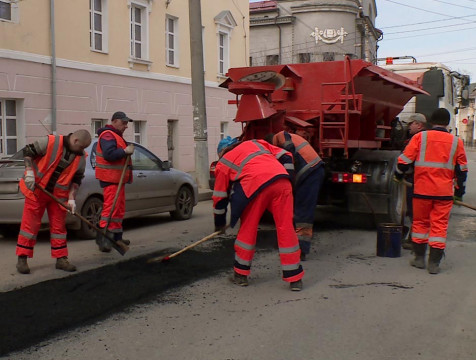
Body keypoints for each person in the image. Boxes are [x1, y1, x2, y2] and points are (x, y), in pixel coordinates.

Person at [212, 136, 304, 291]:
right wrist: (288, 177)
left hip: (255, 187)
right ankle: (295, 278)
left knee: (248, 228)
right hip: (282, 183)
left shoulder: (223, 163)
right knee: (286, 228)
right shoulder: (256, 143)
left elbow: (220, 198)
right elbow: (286, 155)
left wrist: (219, 224)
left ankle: (241, 274)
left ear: (222, 152)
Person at [394, 108, 468, 274]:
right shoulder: (456, 142)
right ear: (447, 123)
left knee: (420, 223)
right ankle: (434, 263)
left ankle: (419, 258)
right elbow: (462, 171)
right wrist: (458, 193)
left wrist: (398, 176)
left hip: (421, 191)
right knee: (439, 226)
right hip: (444, 193)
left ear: (431, 121)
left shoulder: (420, 137)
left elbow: (404, 161)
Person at [15, 129, 92, 274]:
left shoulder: (80, 156)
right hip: (37, 190)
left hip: (58, 196)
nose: (82, 151)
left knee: (59, 228)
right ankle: (22, 258)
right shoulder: (50, 142)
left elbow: (77, 179)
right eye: (81, 147)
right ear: (75, 141)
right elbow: (27, 151)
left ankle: (61, 259)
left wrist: (71, 199)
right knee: (29, 226)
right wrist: (29, 172)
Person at [267, 130, 325, 261]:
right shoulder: (284, 140)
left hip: (311, 172)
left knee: (303, 212)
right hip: (310, 171)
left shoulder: (281, 136)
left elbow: (290, 153)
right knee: (296, 210)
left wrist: (288, 180)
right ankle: (293, 243)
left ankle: (301, 249)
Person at [95, 111, 135, 252]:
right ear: (115, 121)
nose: (126, 126)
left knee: (117, 210)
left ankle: (116, 237)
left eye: (126, 123)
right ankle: (104, 239)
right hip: (110, 179)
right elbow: (109, 154)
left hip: (117, 179)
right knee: (110, 211)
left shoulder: (116, 136)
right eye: (123, 123)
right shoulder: (107, 135)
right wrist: (124, 151)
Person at [401, 113, 428, 250]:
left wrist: (399, 174)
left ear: (419, 125)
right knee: (419, 213)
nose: (409, 126)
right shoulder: (426, 138)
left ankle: (415, 240)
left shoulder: (417, 139)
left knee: (415, 212)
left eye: (411, 123)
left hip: (415, 180)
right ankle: (415, 239)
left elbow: (406, 160)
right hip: (424, 180)